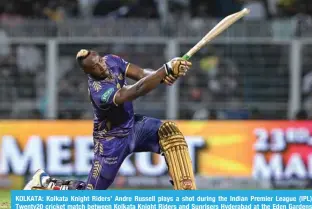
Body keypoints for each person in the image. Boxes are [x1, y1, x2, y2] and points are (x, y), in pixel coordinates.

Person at [23, 49, 197, 190]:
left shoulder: (111, 60)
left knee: (169, 131)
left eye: (100, 60)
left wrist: (165, 75)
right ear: (87, 72)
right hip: (111, 141)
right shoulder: (99, 92)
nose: (102, 65)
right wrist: (165, 70)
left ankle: (186, 195)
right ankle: (45, 183)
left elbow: (143, 74)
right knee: (91, 197)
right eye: (96, 66)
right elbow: (135, 91)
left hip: (133, 127)